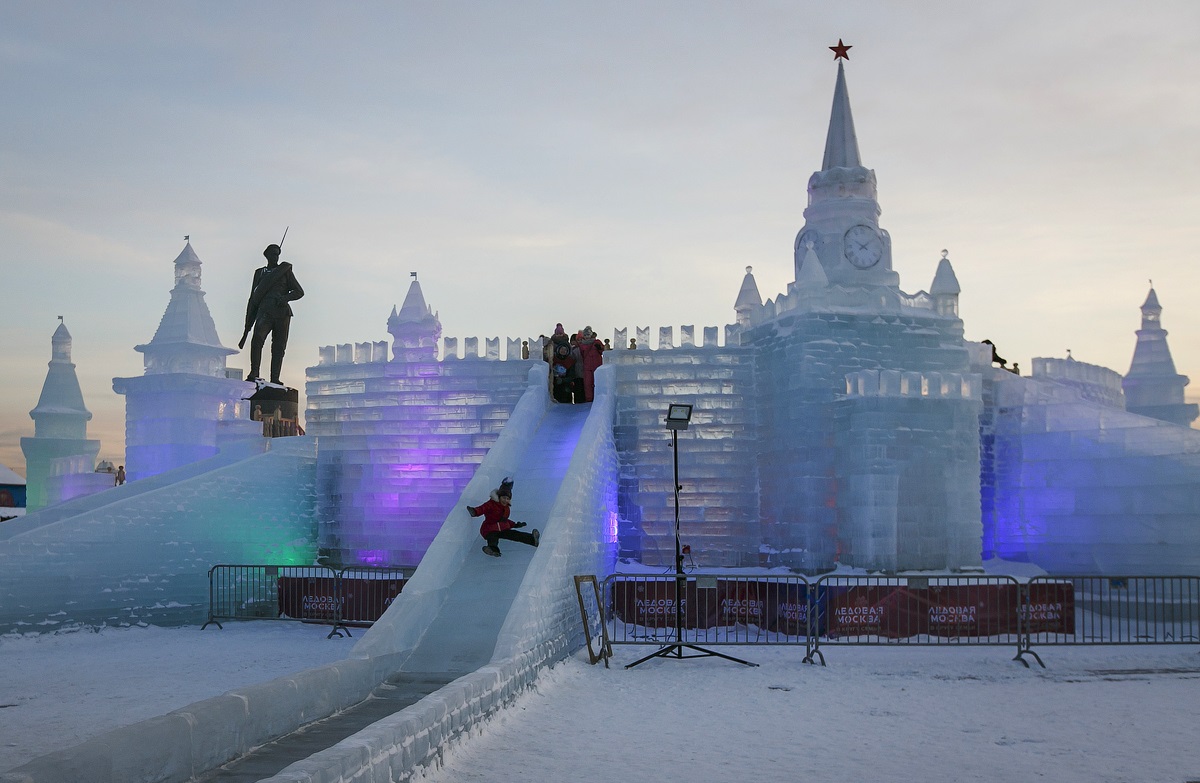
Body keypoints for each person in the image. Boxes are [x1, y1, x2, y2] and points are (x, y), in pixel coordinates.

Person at [240, 243, 305, 385]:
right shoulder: (259, 273)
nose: (276, 257)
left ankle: (275, 377)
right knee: (257, 339)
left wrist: (284, 298)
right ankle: (254, 371)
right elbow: (254, 297)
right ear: (267, 255)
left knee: (279, 346)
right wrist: (248, 321)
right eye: (273, 254)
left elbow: (299, 291)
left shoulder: (285, 271)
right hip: (264, 312)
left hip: (282, 313)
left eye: (277, 254)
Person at [466, 478, 539, 557]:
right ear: (499, 497)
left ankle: (532, 540)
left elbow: (505, 520)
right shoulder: (491, 504)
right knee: (492, 538)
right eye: (504, 498)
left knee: (515, 534)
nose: (505, 500)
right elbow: (483, 508)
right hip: (489, 528)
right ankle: (493, 550)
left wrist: (515, 524)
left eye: (508, 499)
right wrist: (475, 511)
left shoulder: (506, 508)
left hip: (503, 528)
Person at [576, 326, 604, 402]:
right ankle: (589, 399)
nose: (587, 337)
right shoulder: (582, 345)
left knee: (597, 382)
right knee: (587, 383)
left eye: (588, 335)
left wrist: (600, 348)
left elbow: (602, 351)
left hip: (597, 365)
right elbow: (582, 355)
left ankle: (598, 399)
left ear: (591, 334)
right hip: (587, 366)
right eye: (585, 335)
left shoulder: (597, 342)